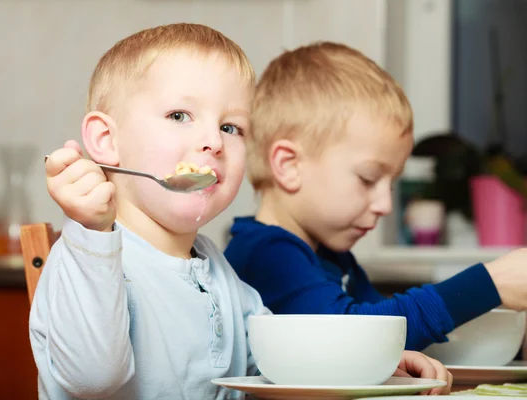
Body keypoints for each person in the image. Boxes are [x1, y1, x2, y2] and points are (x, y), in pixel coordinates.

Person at [32, 27, 452, 399]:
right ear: (106, 140)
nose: (213, 141)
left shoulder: (217, 270)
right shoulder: (83, 256)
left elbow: (275, 362)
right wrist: (93, 233)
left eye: (231, 127)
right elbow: (93, 380)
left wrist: (376, 366)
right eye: (180, 115)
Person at [224, 41, 527, 354]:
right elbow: (357, 337)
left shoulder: (331, 257)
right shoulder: (268, 254)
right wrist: (491, 284)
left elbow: (394, 330)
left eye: (391, 184)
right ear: (289, 166)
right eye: (368, 179)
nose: (386, 206)